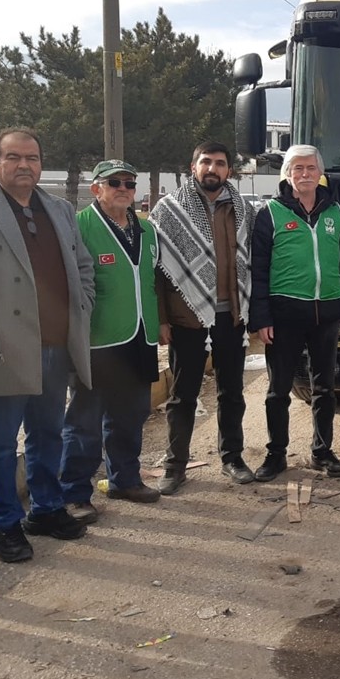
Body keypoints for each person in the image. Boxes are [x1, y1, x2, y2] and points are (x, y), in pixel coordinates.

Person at [0, 127, 96, 563]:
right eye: (14, 157)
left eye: (32, 158)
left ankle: (45, 508)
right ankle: (4, 523)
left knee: (47, 434)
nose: (24, 165)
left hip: (56, 344)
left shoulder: (59, 209)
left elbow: (82, 264)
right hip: (3, 347)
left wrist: (82, 302)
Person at [250, 145, 340, 479]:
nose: (304, 174)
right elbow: (258, 270)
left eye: (310, 168)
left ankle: (322, 451)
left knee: (325, 388)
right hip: (284, 315)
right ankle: (276, 454)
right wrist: (262, 318)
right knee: (278, 390)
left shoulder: (336, 213)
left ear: (320, 173)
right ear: (287, 174)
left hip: (327, 314)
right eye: (297, 168)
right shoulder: (270, 213)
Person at [150, 142, 256, 494]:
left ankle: (233, 458)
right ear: (193, 166)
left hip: (233, 317)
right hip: (189, 319)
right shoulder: (169, 210)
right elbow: (158, 272)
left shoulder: (242, 208)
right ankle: (175, 466)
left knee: (232, 392)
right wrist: (162, 319)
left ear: (229, 171)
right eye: (206, 162)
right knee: (183, 396)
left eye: (220, 163)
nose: (213, 168)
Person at [60, 160, 162, 516]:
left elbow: (153, 282)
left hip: (140, 337)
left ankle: (125, 480)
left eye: (129, 183)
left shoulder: (147, 230)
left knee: (132, 415)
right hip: (97, 340)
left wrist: (161, 323)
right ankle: (74, 492)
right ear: (96, 189)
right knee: (85, 421)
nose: (123, 188)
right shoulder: (79, 227)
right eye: (114, 182)